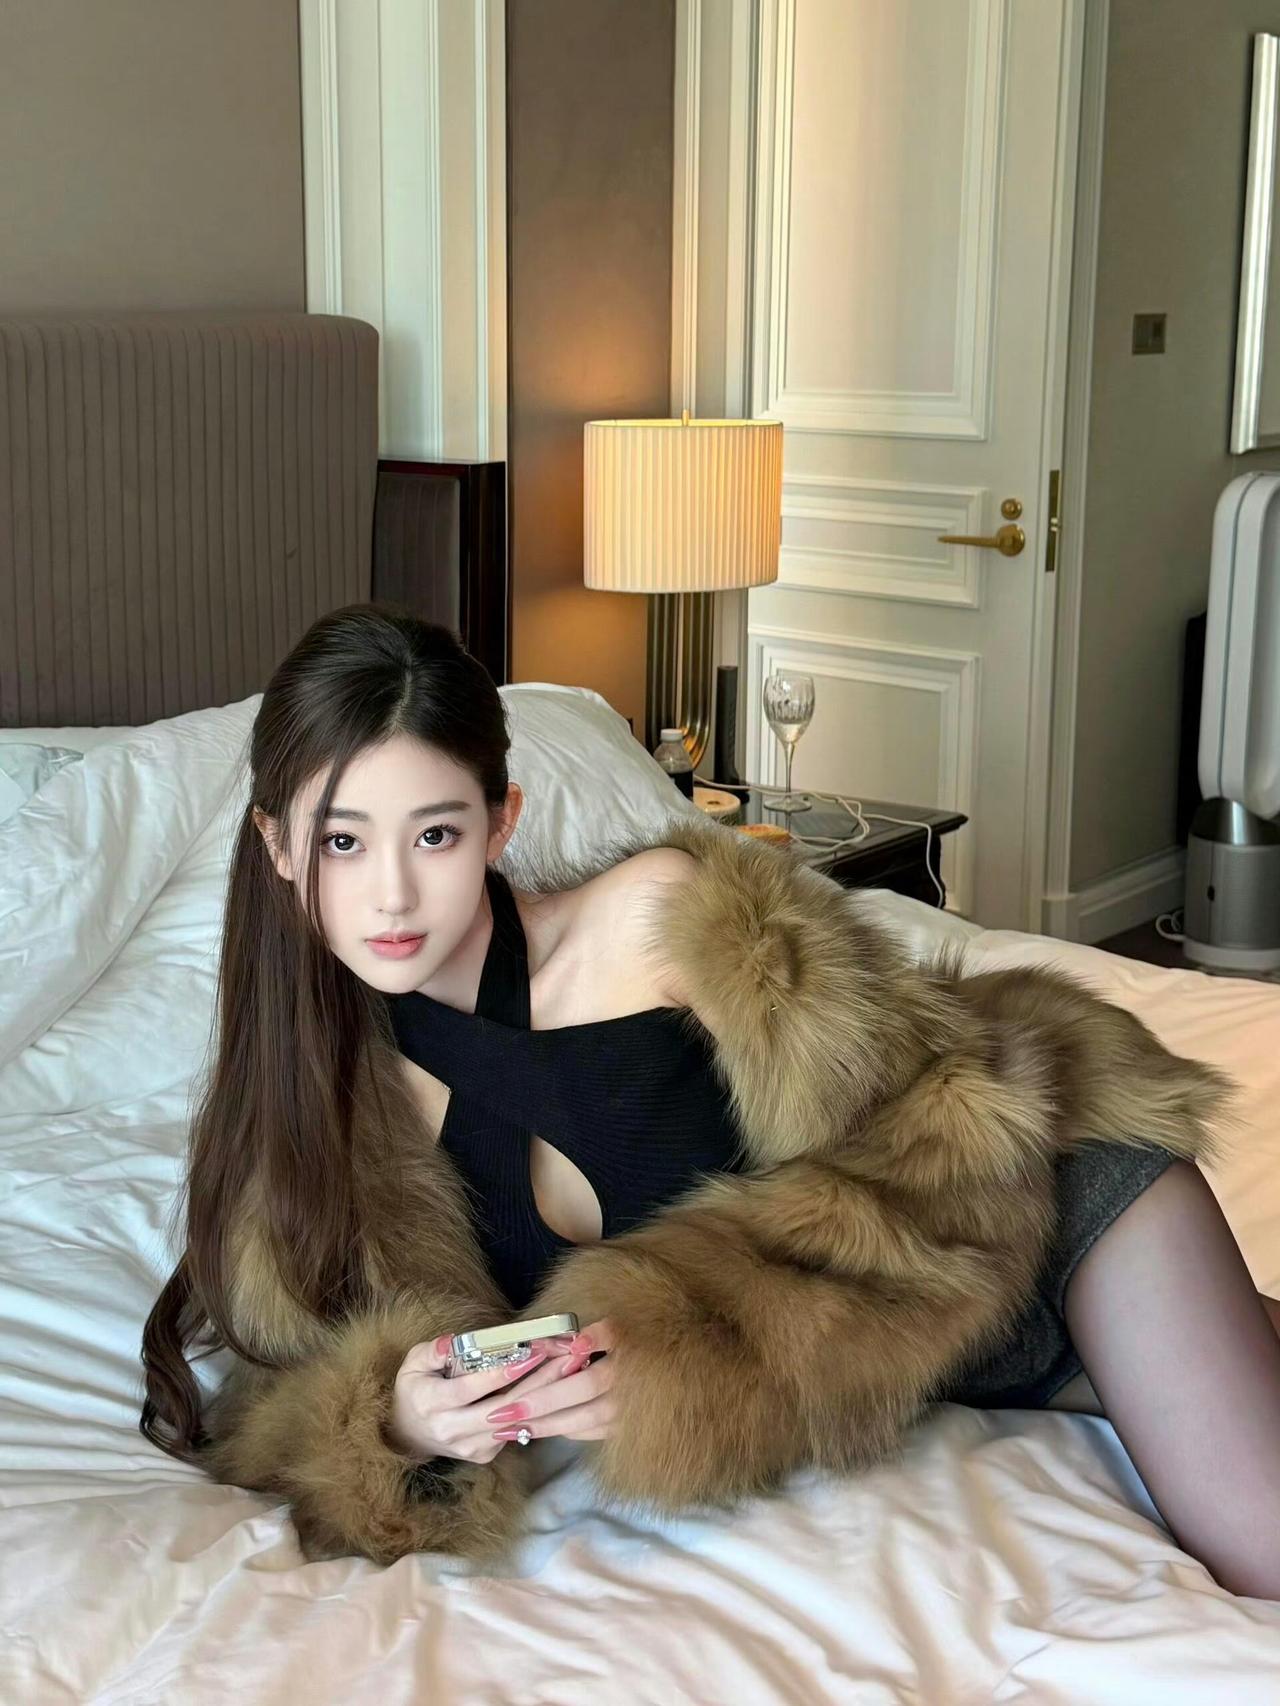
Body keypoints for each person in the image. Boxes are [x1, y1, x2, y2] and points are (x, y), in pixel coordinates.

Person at [140, 604, 1280, 1596]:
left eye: (434, 833)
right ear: (276, 846)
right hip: (909, 1379)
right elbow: (273, 1394)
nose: (390, 894)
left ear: (502, 822)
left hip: (1047, 1227)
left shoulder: (663, 921)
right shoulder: (304, 1110)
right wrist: (394, 1423)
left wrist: (688, 1363)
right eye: (341, 841)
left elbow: (952, 1133)